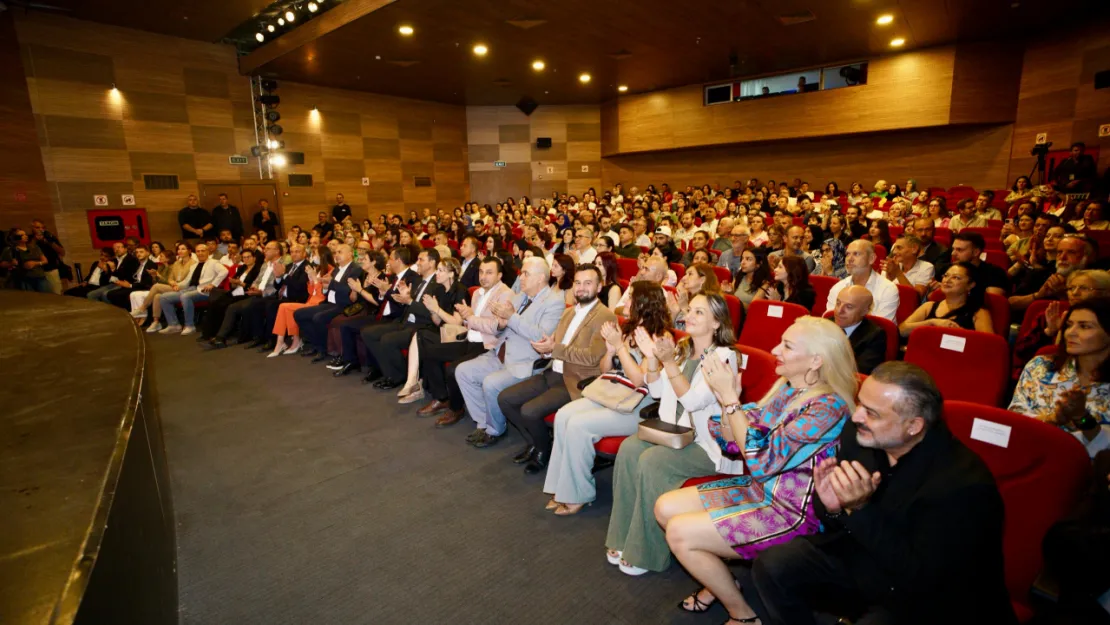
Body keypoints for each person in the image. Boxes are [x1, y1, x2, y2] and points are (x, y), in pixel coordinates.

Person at [739, 362, 1017, 625]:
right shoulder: (859, 436)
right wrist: (834, 507)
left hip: (927, 594)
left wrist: (859, 510)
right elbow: (837, 520)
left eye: (872, 412)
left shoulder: (962, 487)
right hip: (864, 555)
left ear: (914, 426)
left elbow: (921, 576)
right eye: (860, 402)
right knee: (774, 566)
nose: (857, 415)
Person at [656, 317, 857, 625]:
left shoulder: (828, 408)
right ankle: (722, 582)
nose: (775, 349)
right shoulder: (788, 390)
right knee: (665, 506)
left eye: (787, 346)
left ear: (816, 360)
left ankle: (743, 615)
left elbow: (761, 459)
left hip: (791, 513)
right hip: (759, 490)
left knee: (680, 534)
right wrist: (728, 404)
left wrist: (731, 400)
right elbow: (731, 440)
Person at [604, 294, 738, 576]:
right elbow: (656, 391)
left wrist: (668, 362)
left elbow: (691, 402)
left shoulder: (724, 357)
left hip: (708, 443)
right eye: (690, 310)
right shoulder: (681, 348)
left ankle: (647, 552)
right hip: (672, 431)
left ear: (716, 323)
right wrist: (653, 359)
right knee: (629, 449)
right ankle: (623, 535)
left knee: (653, 462)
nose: (689, 315)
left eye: (699, 313)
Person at [544, 282, 673, 514]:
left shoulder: (660, 337)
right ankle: (559, 487)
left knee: (579, 425)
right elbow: (606, 370)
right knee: (564, 415)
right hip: (614, 393)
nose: (627, 302)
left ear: (645, 303)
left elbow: (640, 381)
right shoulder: (627, 329)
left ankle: (578, 493)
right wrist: (611, 351)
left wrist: (620, 349)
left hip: (638, 406)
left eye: (632, 298)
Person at [498, 264, 616, 473]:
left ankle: (542, 451)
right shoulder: (568, 312)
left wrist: (555, 349)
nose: (581, 288)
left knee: (529, 410)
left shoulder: (605, 316)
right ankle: (537, 442)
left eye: (588, 283)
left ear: (599, 287)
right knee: (505, 399)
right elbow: (555, 345)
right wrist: (546, 349)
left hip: (575, 380)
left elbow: (591, 358)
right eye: (578, 283)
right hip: (553, 371)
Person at [454, 257, 565, 447]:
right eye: (521, 273)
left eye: (525, 274)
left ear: (540, 278)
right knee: (463, 371)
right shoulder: (521, 295)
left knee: (490, 383)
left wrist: (511, 318)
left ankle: (494, 430)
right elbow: (502, 325)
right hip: (501, 352)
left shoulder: (554, 302)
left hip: (525, 360)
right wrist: (501, 323)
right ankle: (484, 423)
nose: (520, 277)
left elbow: (541, 336)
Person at [416, 256, 515, 426]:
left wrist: (470, 317)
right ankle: (442, 398)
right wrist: (465, 316)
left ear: (499, 276)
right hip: (468, 338)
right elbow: (468, 321)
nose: (483, 276)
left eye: (489, 273)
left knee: (454, 369)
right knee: (430, 352)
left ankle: (456, 409)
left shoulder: (506, 294)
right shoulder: (477, 293)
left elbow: (495, 327)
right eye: (481, 272)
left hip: (487, 345)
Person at [1010, 297, 1110, 458]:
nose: (1071, 332)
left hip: (1084, 472)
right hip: (1024, 456)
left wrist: (1081, 418)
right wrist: (1052, 418)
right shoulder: (1041, 367)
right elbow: (1013, 422)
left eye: (1084, 326)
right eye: (1069, 325)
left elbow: (1105, 451)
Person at [358, 249, 450, 389]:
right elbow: (409, 302)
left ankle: (399, 376)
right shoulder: (421, 281)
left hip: (423, 326)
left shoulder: (436, 284)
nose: (417, 263)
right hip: (406, 320)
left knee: (388, 339)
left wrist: (408, 301)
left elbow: (429, 312)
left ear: (432, 263)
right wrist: (403, 297)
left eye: (421, 260)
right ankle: (388, 372)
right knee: (368, 333)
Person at [394, 257, 470, 404]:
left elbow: (457, 324)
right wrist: (433, 311)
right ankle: (415, 383)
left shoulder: (460, 290)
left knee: (422, 337)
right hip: (442, 331)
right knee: (420, 334)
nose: (437, 273)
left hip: (457, 336)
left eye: (441, 270)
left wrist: (436, 309)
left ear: (451, 274)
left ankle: (417, 385)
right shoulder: (439, 289)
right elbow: (437, 321)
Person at [1012, 270, 1110, 378]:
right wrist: (1048, 332)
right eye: (1071, 288)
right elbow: (1021, 353)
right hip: (1048, 374)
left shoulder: (1105, 322)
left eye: (1084, 288)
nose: (1075, 293)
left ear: (1105, 292)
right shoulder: (1052, 313)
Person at [201, 241, 284, 348]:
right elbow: (257, 280)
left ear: (277, 251)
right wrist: (253, 287)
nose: (265, 250)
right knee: (226, 303)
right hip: (255, 293)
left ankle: (227, 338)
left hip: (269, 296)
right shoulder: (265, 264)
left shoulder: (282, 264)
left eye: (268, 249)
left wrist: (261, 292)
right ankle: (218, 337)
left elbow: (277, 286)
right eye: (266, 248)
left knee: (236, 306)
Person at [291, 244, 364, 361]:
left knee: (318, 318)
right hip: (329, 303)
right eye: (335, 253)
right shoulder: (336, 269)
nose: (336, 255)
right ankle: (316, 343)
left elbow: (348, 290)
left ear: (350, 254)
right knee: (298, 314)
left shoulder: (356, 269)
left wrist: (330, 283)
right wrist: (325, 286)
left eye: (340, 252)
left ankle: (323, 349)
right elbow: (328, 289)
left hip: (344, 304)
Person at [899, 262, 993, 336]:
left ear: (971, 285)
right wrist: (931, 322)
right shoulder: (929, 306)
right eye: (946, 276)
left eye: (956, 278)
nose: (947, 280)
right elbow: (902, 330)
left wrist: (959, 332)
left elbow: (988, 344)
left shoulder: (978, 312)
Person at [264, 244, 323, 356]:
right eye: (292, 252)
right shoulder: (289, 265)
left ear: (304, 253)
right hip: (284, 296)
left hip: (298, 298)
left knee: (274, 306)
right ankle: (272, 339)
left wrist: (284, 275)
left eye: (297, 251)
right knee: (266, 302)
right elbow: (278, 286)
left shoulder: (307, 266)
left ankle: (274, 340)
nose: (294, 254)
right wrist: (277, 277)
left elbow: (299, 287)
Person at [157, 244, 229, 335]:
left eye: (203, 251)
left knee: (185, 296)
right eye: (198, 251)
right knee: (164, 297)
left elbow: (224, 271)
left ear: (208, 252)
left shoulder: (214, 262)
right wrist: (176, 285)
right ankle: (174, 325)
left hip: (206, 291)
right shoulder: (194, 266)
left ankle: (189, 326)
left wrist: (213, 284)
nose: (200, 253)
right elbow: (186, 282)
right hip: (191, 289)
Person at [825, 240, 899, 322]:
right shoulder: (838, 287)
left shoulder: (888, 289)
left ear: (871, 259)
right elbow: (830, 320)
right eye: (847, 254)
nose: (849, 259)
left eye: (856, 254)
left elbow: (880, 326)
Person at [832, 285, 887, 374]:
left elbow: (860, 372)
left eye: (849, 307)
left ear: (865, 311)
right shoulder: (826, 323)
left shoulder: (874, 336)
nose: (839, 311)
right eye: (838, 303)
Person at [943, 232, 1009, 296]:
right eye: (953, 249)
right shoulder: (946, 269)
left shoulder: (995, 273)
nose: (953, 253)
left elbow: (993, 303)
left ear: (976, 252)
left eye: (959, 250)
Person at [671, 263, 721, 330]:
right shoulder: (687, 298)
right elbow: (677, 326)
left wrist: (684, 308)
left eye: (690, 274)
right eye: (685, 274)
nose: (683, 278)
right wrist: (674, 312)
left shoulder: (710, 302)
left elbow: (697, 330)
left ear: (702, 279)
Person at [1, 228, 51, 292]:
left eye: (25, 234)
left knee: (47, 297)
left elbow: (45, 260)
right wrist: (11, 264)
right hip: (23, 279)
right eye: (22, 235)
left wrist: (35, 263)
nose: (26, 236)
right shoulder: (9, 250)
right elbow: (2, 264)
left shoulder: (34, 247)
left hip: (40, 277)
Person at [29, 219, 66, 293]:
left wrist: (49, 242)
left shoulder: (50, 237)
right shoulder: (29, 238)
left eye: (42, 228)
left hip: (51, 269)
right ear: (32, 228)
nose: (40, 230)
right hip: (36, 271)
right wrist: (35, 240)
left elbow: (62, 252)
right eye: (37, 227)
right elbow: (28, 251)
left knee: (56, 292)